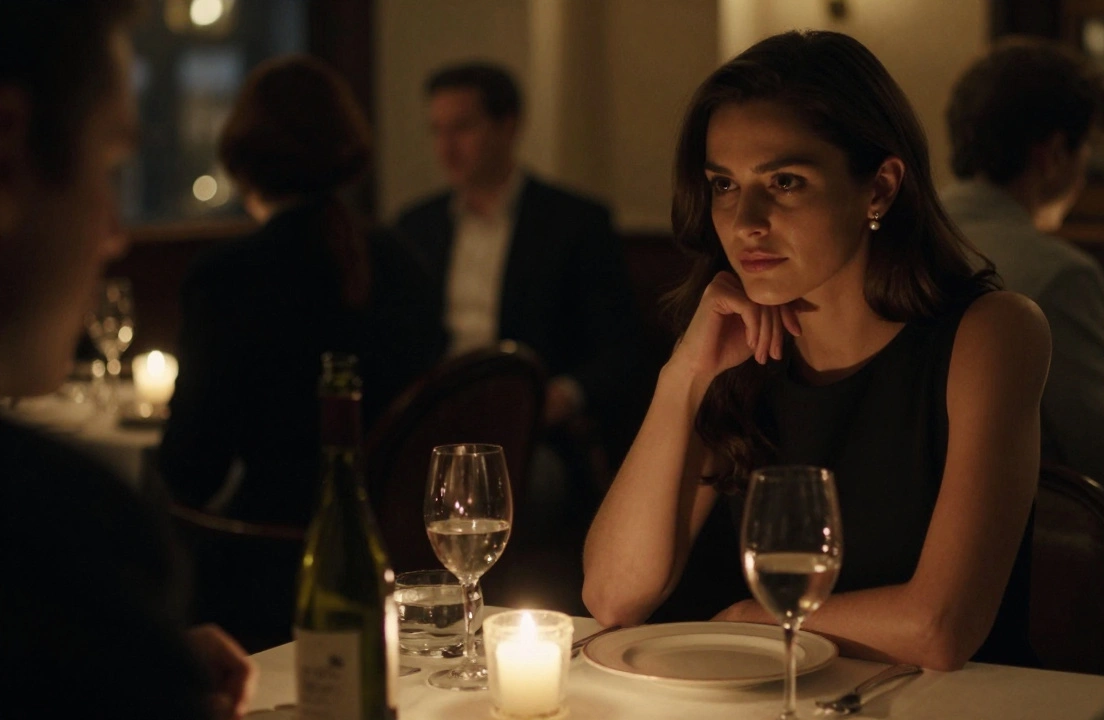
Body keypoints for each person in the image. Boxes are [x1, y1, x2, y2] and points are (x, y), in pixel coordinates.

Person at [582, 30, 1051, 670]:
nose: (746, 220)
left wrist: (751, 620)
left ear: (879, 188)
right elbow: (613, 594)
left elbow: (941, 627)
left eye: (785, 181)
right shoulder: (735, 353)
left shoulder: (990, 333)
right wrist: (683, 375)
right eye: (723, 184)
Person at [0, 1, 254, 718]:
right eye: (109, 162)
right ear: (10, 151)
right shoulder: (59, 537)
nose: (113, 234)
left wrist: (142, 653)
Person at [160, 56, 443, 527]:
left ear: (242, 155)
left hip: (272, 549)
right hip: (397, 538)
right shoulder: (401, 259)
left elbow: (190, 472)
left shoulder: (229, 275)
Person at [941, 37, 1104, 513]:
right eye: (1086, 150)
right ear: (1052, 154)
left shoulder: (898, 235)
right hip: (1031, 538)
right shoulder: (1061, 275)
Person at [394, 62, 640, 473]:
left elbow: (622, 348)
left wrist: (561, 395)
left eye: (462, 129)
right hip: (434, 417)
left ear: (507, 127)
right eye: (437, 130)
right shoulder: (417, 226)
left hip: (533, 429)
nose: (445, 148)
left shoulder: (573, 222)